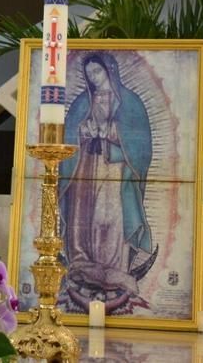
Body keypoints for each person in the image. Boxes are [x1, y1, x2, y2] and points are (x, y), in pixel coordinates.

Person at [59, 52, 155, 312]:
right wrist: (83, 132)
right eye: (89, 74)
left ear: (109, 70)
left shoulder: (130, 103)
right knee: (85, 217)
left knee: (110, 218)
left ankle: (114, 269)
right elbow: (69, 134)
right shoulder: (82, 102)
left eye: (97, 72)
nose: (93, 78)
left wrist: (112, 133)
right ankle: (83, 263)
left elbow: (141, 144)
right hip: (85, 170)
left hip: (115, 170)